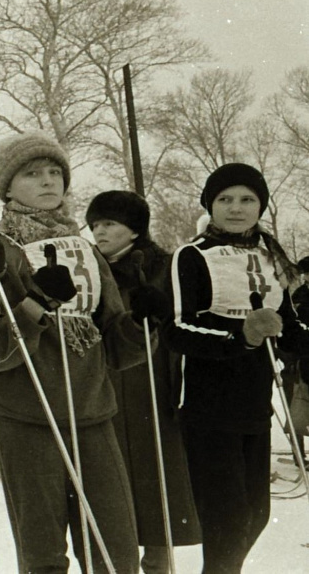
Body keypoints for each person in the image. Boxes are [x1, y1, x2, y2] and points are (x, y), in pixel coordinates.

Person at [0, 131, 163, 574]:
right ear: (7, 186)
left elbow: (114, 344)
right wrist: (35, 306)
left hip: (91, 412)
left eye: (55, 171)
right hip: (26, 415)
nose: (47, 181)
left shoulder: (85, 249)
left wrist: (141, 324)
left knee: (115, 552)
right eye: (32, 173)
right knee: (43, 556)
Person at [163, 163, 309, 573]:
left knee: (255, 516)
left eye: (247, 199)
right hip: (208, 404)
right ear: (210, 205)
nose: (236, 208)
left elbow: (288, 323)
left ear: (260, 205)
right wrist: (239, 336)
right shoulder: (192, 255)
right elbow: (177, 327)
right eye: (225, 199)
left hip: (254, 403)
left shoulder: (269, 256)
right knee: (227, 520)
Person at [85, 190, 201, 572]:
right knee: (112, 487)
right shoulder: (89, 267)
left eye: (109, 224)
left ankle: (158, 563)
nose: (99, 232)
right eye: (96, 224)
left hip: (155, 383)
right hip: (112, 381)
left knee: (156, 481)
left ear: (134, 229)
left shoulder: (163, 267)